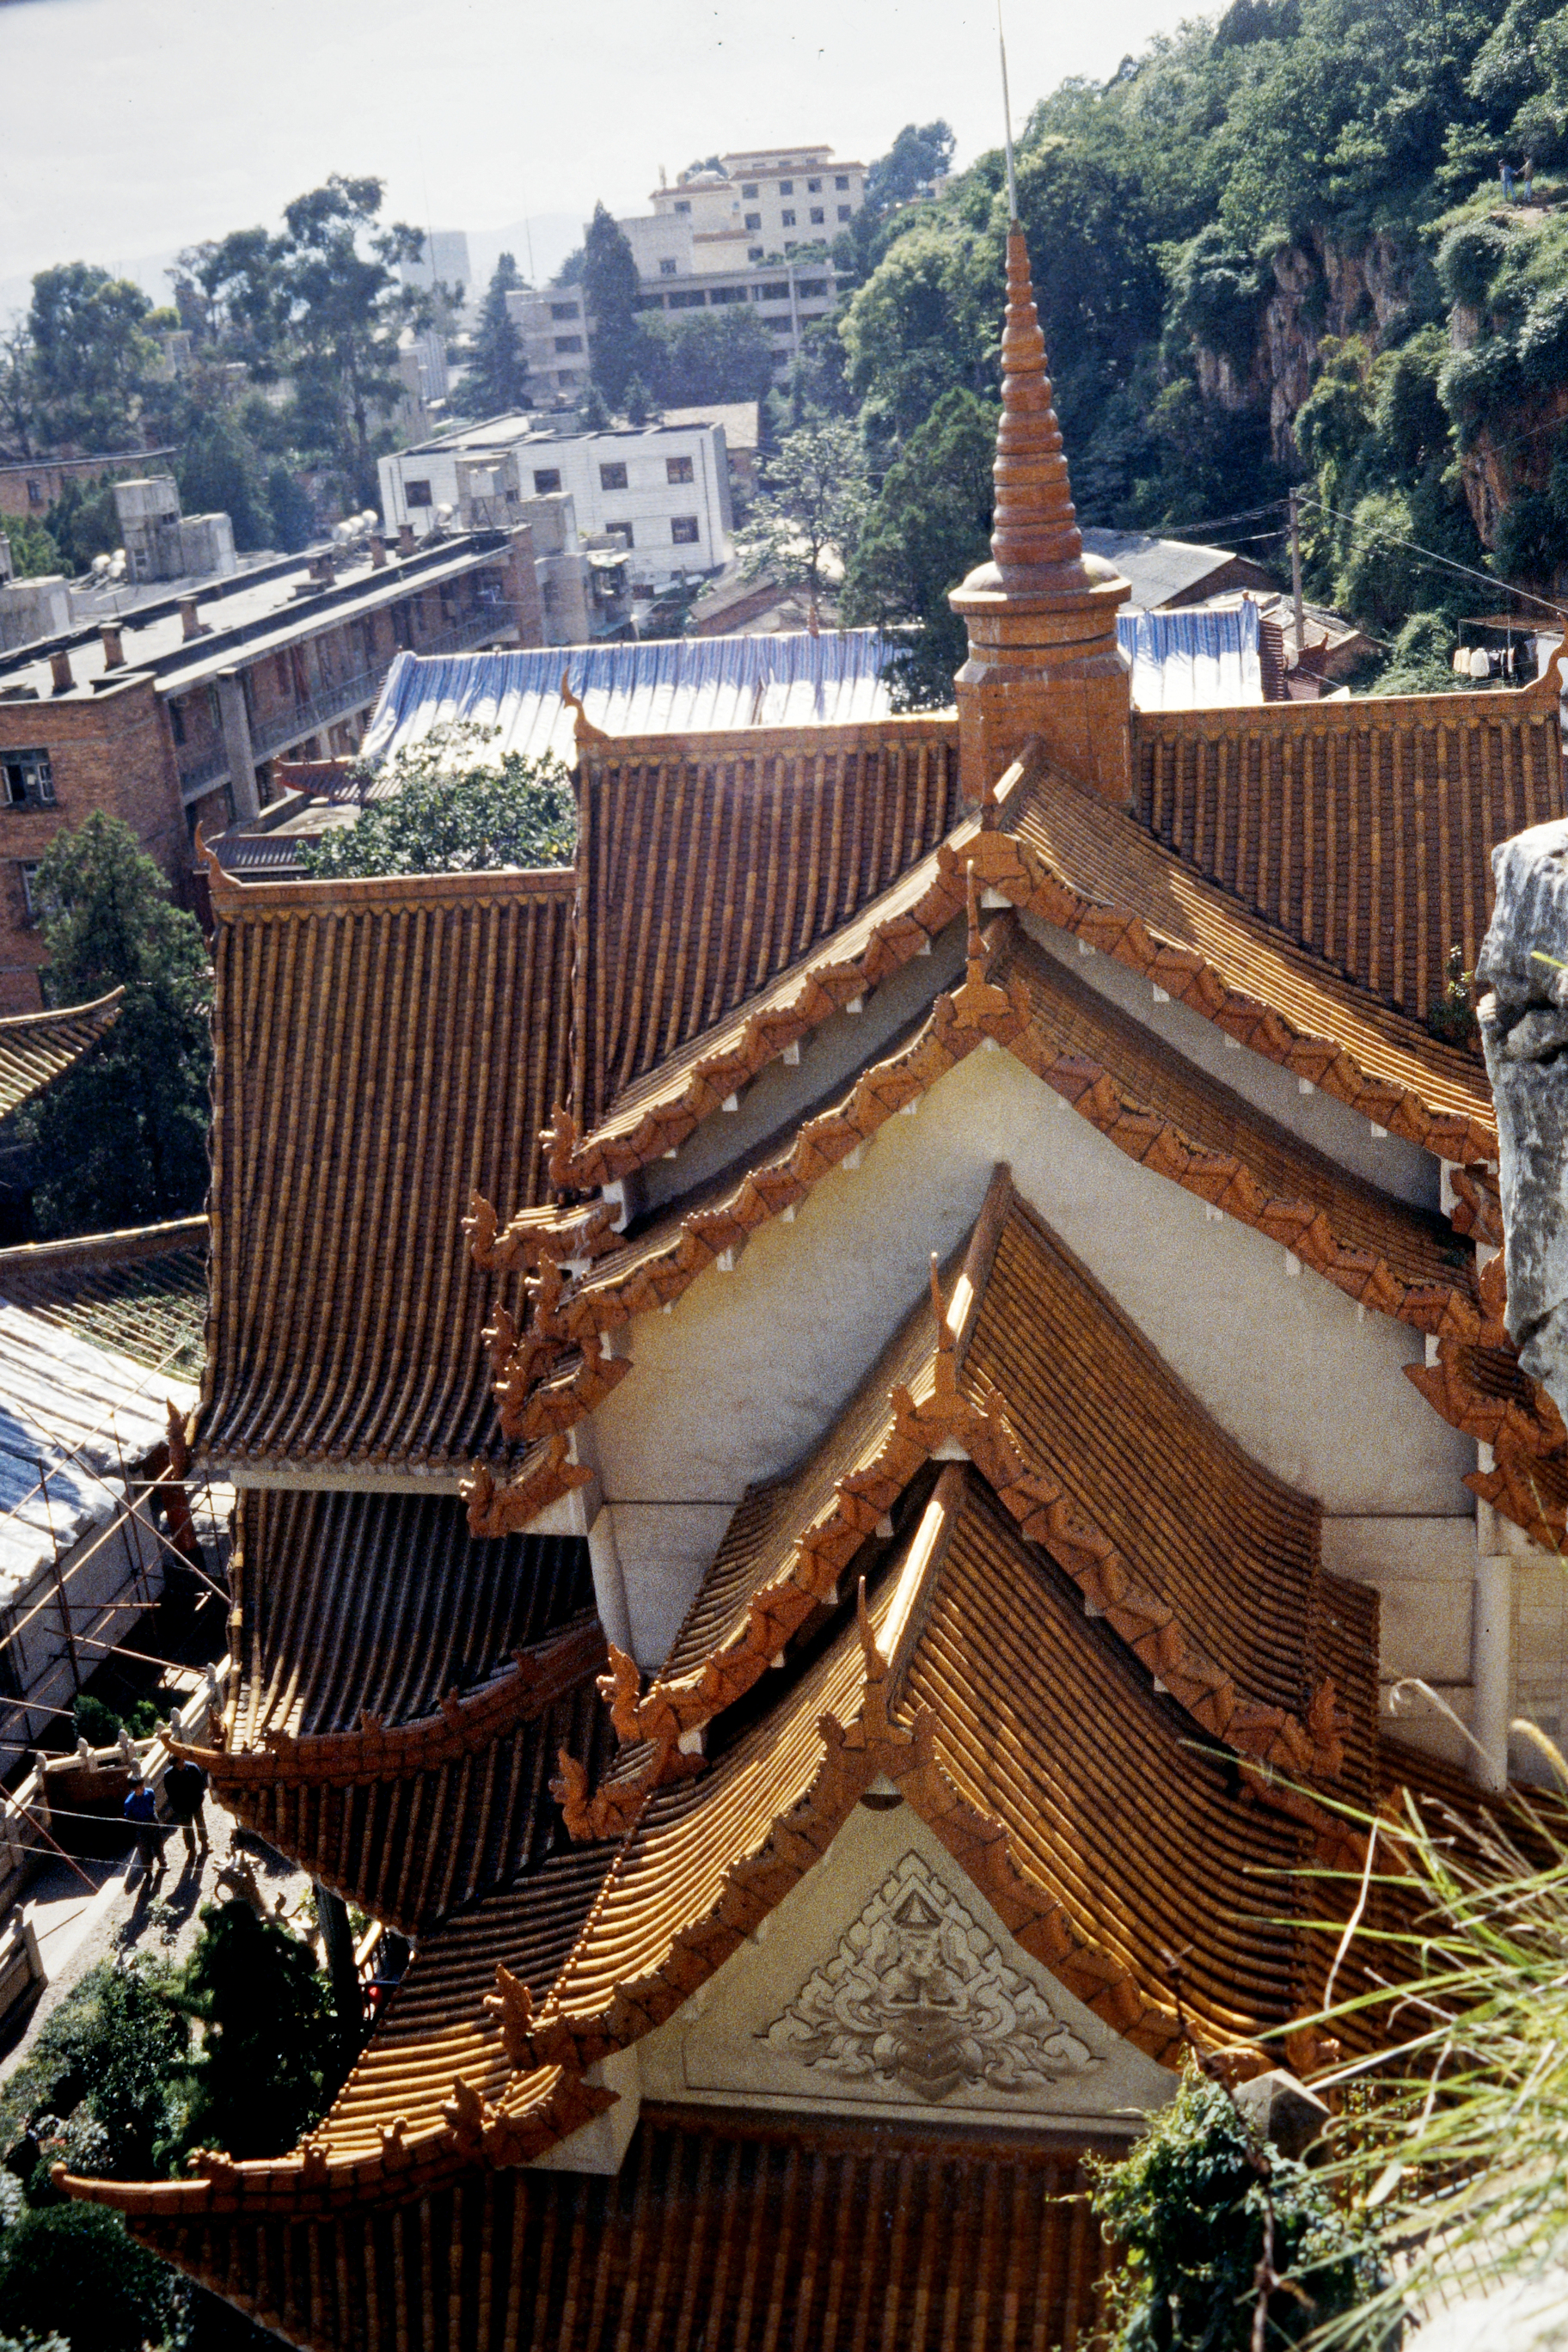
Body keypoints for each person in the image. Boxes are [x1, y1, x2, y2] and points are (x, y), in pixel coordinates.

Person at [162, 1755, 210, 1864]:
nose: (182, 1763)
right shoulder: (169, 1775)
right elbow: (171, 1794)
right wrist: (177, 1806)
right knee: (187, 1828)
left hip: (196, 1803)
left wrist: (199, 1798)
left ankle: (204, 1843)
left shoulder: (192, 1768)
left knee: (200, 1823)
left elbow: (201, 1784)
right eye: (179, 1762)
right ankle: (191, 1850)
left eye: (182, 1761)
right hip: (182, 1807)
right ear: (174, 1765)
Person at [122, 1778, 165, 1882]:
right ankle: (148, 1872)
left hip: (152, 1821)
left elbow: (152, 1804)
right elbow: (129, 1816)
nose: (142, 1789)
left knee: (158, 1843)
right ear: (134, 1789)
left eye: (142, 1786)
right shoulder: (129, 1802)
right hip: (141, 1826)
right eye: (139, 1788)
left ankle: (162, 1862)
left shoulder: (149, 1793)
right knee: (145, 1850)